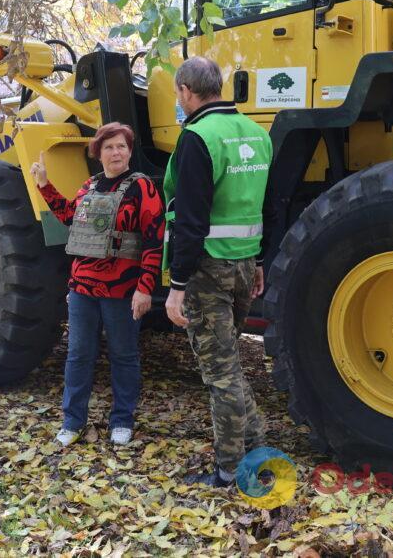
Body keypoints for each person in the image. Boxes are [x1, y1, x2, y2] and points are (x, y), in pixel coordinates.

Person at [163, 56, 274, 487]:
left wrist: (176, 285)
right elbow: (265, 206)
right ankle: (260, 447)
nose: (179, 100)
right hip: (245, 265)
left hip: (208, 269)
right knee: (229, 367)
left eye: (178, 94)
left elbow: (191, 220)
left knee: (219, 375)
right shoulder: (256, 133)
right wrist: (260, 260)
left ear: (187, 92)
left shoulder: (198, 137)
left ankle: (228, 471)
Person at [29, 123, 164, 447]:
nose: (116, 152)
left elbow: (155, 238)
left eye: (122, 146)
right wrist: (44, 186)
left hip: (122, 290)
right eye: (109, 147)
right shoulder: (89, 186)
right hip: (83, 290)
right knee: (78, 355)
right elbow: (70, 218)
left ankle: (122, 421)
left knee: (124, 355)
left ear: (130, 151)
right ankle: (73, 421)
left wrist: (145, 288)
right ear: (98, 153)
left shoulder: (142, 188)